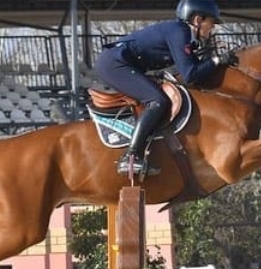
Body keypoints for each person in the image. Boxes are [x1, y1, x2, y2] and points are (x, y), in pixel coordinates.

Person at [95, 0, 238, 175]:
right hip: (114, 64)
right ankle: (130, 157)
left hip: (123, 63)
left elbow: (191, 73)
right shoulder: (180, 33)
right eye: (212, 23)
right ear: (198, 20)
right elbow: (190, 75)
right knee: (157, 100)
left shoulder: (183, 34)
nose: (212, 28)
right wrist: (217, 60)